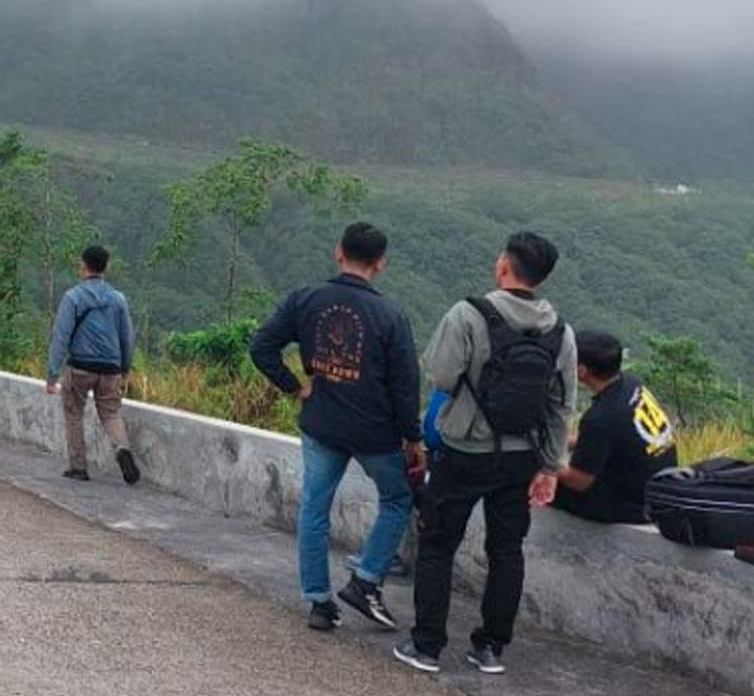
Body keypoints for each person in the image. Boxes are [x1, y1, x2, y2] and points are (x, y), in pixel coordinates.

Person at [395, 231, 577, 677]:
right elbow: (561, 405)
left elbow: (440, 375)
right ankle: (490, 648)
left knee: (438, 545)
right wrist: (550, 467)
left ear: (503, 266)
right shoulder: (561, 331)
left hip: (463, 451)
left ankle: (427, 646)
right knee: (507, 550)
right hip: (522, 458)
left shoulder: (468, 314)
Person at [250, 222, 422, 634]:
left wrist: (296, 387)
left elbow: (262, 347)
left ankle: (319, 603)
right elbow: (405, 385)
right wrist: (413, 437)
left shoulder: (306, 300)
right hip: (374, 431)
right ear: (381, 263)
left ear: (338, 252)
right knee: (398, 498)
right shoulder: (390, 316)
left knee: (314, 507)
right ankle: (366, 580)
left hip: (322, 424)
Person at [553, 331, 678, 524]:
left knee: (535, 482)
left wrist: (538, 461)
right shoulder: (631, 384)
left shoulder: (599, 418)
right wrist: (563, 441)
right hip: (660, 485)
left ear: (581, 371)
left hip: (634, 505)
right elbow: (616, 436)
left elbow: (579, 481)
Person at [45, 245, 140, 485]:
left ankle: (78, 467)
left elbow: (61, 337)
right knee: (111, 414)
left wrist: (52, 375)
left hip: (80, 367)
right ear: (105, 267)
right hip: (110, 369)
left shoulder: (73, 297)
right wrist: (125, 367)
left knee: (74, 413)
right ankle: (122, 449)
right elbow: (126, 336)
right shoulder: (118, 299)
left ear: (83, 265)